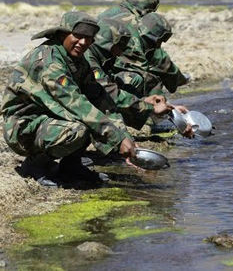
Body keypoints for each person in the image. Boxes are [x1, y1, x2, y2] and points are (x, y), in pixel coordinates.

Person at [1, 11, 137, 187]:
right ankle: (34, 164)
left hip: (49, 119)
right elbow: (77, 104)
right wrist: (116, 138)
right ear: (62, 34)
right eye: (78, 36)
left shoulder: (77, 60)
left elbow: (99, 98)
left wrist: (124, 136)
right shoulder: (49, 62)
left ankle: (71, 167)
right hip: (24, 128)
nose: (83, 42)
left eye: (88, 38)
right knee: (80, 128)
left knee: (93, 118)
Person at [84, 18, 193, 137]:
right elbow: (109, 93)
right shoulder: (90, 60)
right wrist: (149, 108)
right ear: (107, 44)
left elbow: (113, 85)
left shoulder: (101, 57)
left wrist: (146, 100)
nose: (120, 53)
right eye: (118, 47)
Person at [112, 12, 189, 97]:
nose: (158, 46)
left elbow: (162, 63)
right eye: (158, 41)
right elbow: (146, 77)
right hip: (102, 80)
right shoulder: (135, 45)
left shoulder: (132, 24)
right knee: (134, 79)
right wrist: (161, 105)